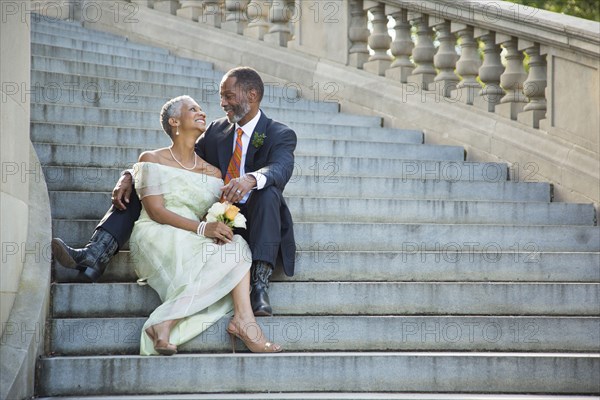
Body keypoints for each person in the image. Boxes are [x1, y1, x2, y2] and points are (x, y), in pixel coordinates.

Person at [51, 67, 297, 317]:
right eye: (221, 96)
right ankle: (96, 252)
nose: (222, 103)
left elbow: (281, 167)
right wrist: (131, 173)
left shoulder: (280, 133)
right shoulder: (216, 131)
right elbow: (176, 163)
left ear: (252, 95)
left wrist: (251, 179)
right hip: (211, 214)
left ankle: (259, 286)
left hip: (255, 222)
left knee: (269, 194)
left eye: (229, 96)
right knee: (150, 177)